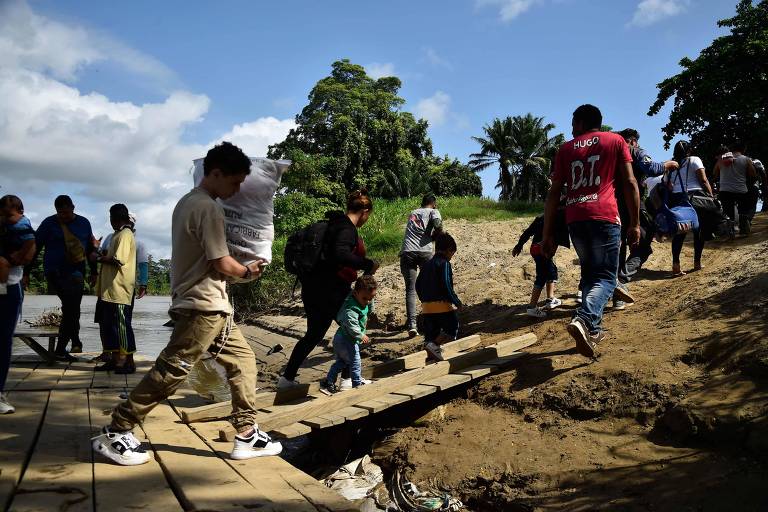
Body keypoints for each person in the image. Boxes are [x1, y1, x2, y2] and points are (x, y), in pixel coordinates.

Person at [92, 142, 281, 465]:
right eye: (234, 182)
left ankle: (247, 433)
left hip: (215, 305)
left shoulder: (187, 203)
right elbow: (221, 261)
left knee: (244, 362)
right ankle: (117, 430)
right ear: (216, 173)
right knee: (172, 371)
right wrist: (248, 271)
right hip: (202, 305)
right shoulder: (206, 207)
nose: (236, 190)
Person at [542, 104, 640, 358]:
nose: (571, 129)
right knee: (607, 278)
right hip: (604, 215)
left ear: (582, 122)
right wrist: (635, 222)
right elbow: (629, 182)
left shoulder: (565, 149)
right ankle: (584, 319)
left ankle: (593, 331)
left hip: (575, 218)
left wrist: (547, 234)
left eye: (573, 123)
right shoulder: (616, 141)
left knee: (589, 275)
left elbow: (554, 194)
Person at [279, 190, 378, 390]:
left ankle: (286, 379)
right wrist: (367, 263)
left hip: (312, 288)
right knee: (354, 327)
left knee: (314, 334)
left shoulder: (334, 224)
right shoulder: (346, 228)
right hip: (331, 289)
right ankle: (348, 381)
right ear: (365, 211)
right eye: (368, 216)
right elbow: (340, 254)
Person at [31, 195, 98, 357]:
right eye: (60, 213)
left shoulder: (84, 223)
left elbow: (90, 249)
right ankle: (70, 344)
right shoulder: (48, 223)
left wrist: (94, 271)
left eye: (66, 213)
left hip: (76, 273)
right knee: (71, 309)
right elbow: (35, 247)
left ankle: (68, 345)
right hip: (55, 273)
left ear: (73, 208)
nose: (64, 216)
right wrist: (26, 273)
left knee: (71, 309)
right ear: (56, 211)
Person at [615, 129, 678, 299]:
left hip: (609, 206)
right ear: (633, 140)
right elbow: (650, 167)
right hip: (632, 206)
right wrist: (668, 164)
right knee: (643, 245)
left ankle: (615, 291)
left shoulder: (609, 153)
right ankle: (622, 278)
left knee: (618, 246)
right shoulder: (635, 150)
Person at [92, 212, 149, 364]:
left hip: (121, 289)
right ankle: (110, 355)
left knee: (122, 325)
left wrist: (143, 283)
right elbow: (104, 255)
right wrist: (97, 251)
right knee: (106, 323)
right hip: (106, 288)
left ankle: (126, 360)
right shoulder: (112, 237)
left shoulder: (134, 240)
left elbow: (141, 265)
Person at [0, 195, 36, 414]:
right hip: (8, 284)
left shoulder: (21, 226)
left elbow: (30, 247)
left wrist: (15, 260)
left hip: (9, 286)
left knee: (3, 341)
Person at [320, 275, 377, 394]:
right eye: (365, 299)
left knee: (342, 361)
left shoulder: (363, 300)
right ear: (355, 294)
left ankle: (328, 381)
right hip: (347, 340)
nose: (367, 302)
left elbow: (368, 305)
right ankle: (356, 384)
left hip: (341, 338)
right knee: (355, 362)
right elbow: (351, 325)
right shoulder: (351, 308)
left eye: (371, 298)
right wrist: (361, 335)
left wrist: (371, 305)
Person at [667, 141, 715, 276]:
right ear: (689, 151)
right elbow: (703, 180)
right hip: (696, 197)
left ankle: (676, 265)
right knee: (699, 230)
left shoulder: (671, 164)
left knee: (680, 230)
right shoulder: (694, 160)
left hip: (677, 198)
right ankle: (697, 263)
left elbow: (667, 184)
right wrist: (711, 196)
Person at [512, 208, 568, 318]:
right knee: (542, 276)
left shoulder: (541, 217)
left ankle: (550, 299)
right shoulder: (559, 216)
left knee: (551, 270)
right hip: (544, 249)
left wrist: (519, 245)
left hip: (535, 248)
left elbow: (527, 232)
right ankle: (532, 307)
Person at [415, 233, 462, 362]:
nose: (451, 257)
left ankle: (431, 358)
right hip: (441, 305)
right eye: (452, 254)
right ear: (448, 250)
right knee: (452, 328)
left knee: (431, 333)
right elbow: (446, 284)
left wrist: (423, 300)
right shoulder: (444, 264)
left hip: (426, 307)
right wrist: (456, 301)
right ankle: (434, 346)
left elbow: (417, 284)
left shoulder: (426, 265)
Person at [400, 194, 443, 337]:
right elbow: (437, 224)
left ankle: (412, 325)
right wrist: (436, 236)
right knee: (429, 286)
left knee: (410, 289)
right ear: (434, 204)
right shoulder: (433, 211)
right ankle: (431, 321)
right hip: (424, 252)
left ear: (422, 203)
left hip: (407, 252)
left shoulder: (413, 212)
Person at [713, 143, 758, 236]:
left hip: (725, 190)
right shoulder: (746, 159)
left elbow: (715, 173)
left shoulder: (721, 159)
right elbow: (752, 174)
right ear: (743, 150)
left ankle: (730, 230)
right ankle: (744, 227)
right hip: (741, 189)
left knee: (728, 213)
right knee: (743, 210)